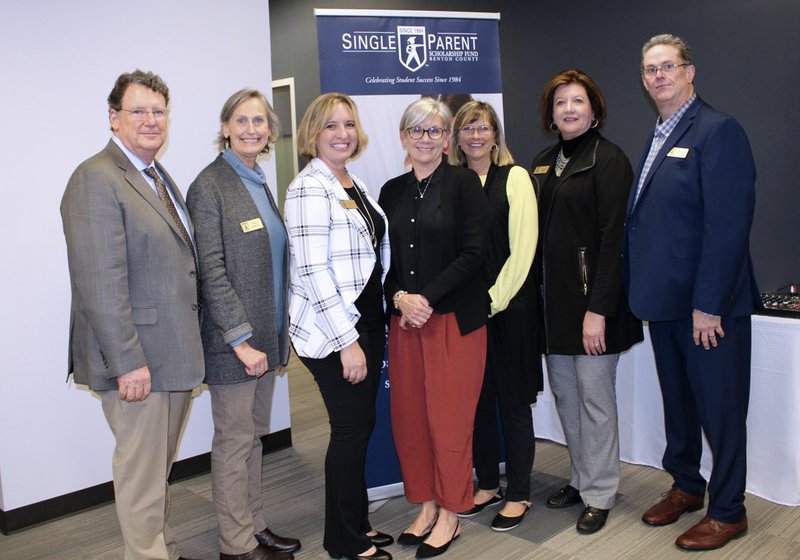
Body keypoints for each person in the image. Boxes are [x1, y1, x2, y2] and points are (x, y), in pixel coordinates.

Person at [60, 70, 203, 560]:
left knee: (154, 471)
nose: (149, 121)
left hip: (171, 355)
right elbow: (99, 281)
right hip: (138, 362)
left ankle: (157, 548)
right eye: (137, 111)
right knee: (141, 477)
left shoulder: (157, 176)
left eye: (158, 111)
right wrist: (127, 362)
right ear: (114, 118)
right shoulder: (95, 178)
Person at [624, 34, 759, 550]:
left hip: (710, 309)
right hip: (665, 304)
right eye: (650, 69)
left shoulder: (718, 129)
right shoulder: (660, 133)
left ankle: (729, 510)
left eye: (668, 67)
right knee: (679, 405)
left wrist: (708, 305)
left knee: (721, 412)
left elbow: (728, 227)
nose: (659, 76)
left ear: (689, 72)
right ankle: (686, 486)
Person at [186, 89, 300, 560]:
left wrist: (274, 338)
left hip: (266, 341)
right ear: (226, 126)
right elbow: (209, 270)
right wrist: (240, 340)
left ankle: (254, 525)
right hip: (236, 346)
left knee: (253, 439)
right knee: (234, 444)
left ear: (270, 131)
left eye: (260, 121)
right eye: (241, 120)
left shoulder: (257, 180)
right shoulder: (209, 185)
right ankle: (234, 545)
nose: (251, 129)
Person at [531, 69, 643, 534]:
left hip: (595, 307)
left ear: (594, 110)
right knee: (567, 397)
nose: (569, 109)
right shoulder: (543, 162)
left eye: (578, 101)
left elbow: (614, 240)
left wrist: (598, 310)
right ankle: (580, 479)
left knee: (595, 400)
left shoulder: (609, 160)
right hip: (554, 309)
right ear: (551, 115)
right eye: (561, 103)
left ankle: (600, 492)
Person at [284, 93, 393, 560]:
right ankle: (342, 540)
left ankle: (357, 522)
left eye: (348, 124)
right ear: (313, 133)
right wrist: (348, 342)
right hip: (334, 332)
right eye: (331, 125)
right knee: (350, 428)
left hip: (366, 322)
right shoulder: (309, 187)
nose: (342, 133)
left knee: (360, 425)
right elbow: (312, 271)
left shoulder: (352, 182)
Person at [379, 98, 489, 558]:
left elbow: (475, 252)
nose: (425, 138)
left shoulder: (465, 185)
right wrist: (401, 297)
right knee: (410, 420)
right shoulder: (389, 191)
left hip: (453, 323)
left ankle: (450, 513)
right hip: (406, 324)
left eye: (434, 131)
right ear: (403, 138)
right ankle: (425, 504)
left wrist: (427, 297)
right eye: (415, 130)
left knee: (449, 422)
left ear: (447, 140)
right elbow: (380, 265)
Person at [449, 101, 542, 532]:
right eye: (467, 128)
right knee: (479, 402)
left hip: (509, 310)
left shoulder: (515, 177)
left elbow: (523, 250)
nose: (475, 136)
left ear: (495, 134)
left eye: (483, 127)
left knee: (514, 403)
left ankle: (519, 492)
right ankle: (487, 484)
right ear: (457, 136)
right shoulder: (453, 182)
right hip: (468, 314)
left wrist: (492, 301)